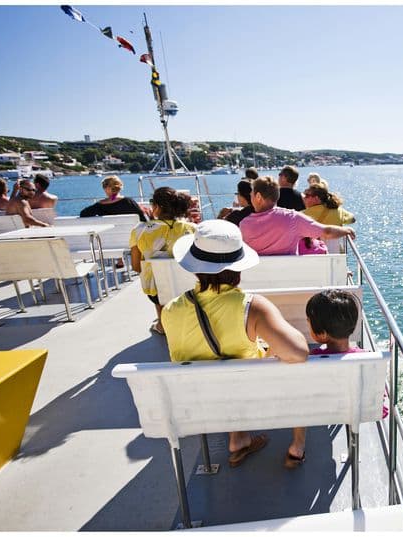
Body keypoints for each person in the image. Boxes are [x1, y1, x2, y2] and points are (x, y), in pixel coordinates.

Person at [163, 219, 309, 468]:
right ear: (238, 266)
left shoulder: (170, 310)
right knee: (288, 367)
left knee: (223, 365)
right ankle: (297, 444)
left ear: (195, 266)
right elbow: (299, 353)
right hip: (251, 396)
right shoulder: (252, 306)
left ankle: (238, 438)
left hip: (196, 402)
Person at [305, 289, 389, 422]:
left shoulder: (313, 358)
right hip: (361, 413)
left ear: (323, 334)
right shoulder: (367, 358)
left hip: (324, 412)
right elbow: (378, 394)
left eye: (308, 321)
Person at [129, 186, 196, 335]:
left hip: (156, 291)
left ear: (157, 207)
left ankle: (162, 323)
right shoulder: (192, 229)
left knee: (157, 279)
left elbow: (136, 266)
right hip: (189, 286)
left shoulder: (139, 231)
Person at [240, 177, 355, 256]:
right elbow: (326, 232)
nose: (250, 197)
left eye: (251, 194)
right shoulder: (292, 218)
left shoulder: (244, 224)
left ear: (258, 197)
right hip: (289, 276)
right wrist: (346, 230)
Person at [81, 175, 147, 221]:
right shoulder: (129, 202)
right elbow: (143, 219)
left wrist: (102, 201)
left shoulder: (99, 206)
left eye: (103, 186)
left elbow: (83, 214)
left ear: (107, 188)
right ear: (120, 187)